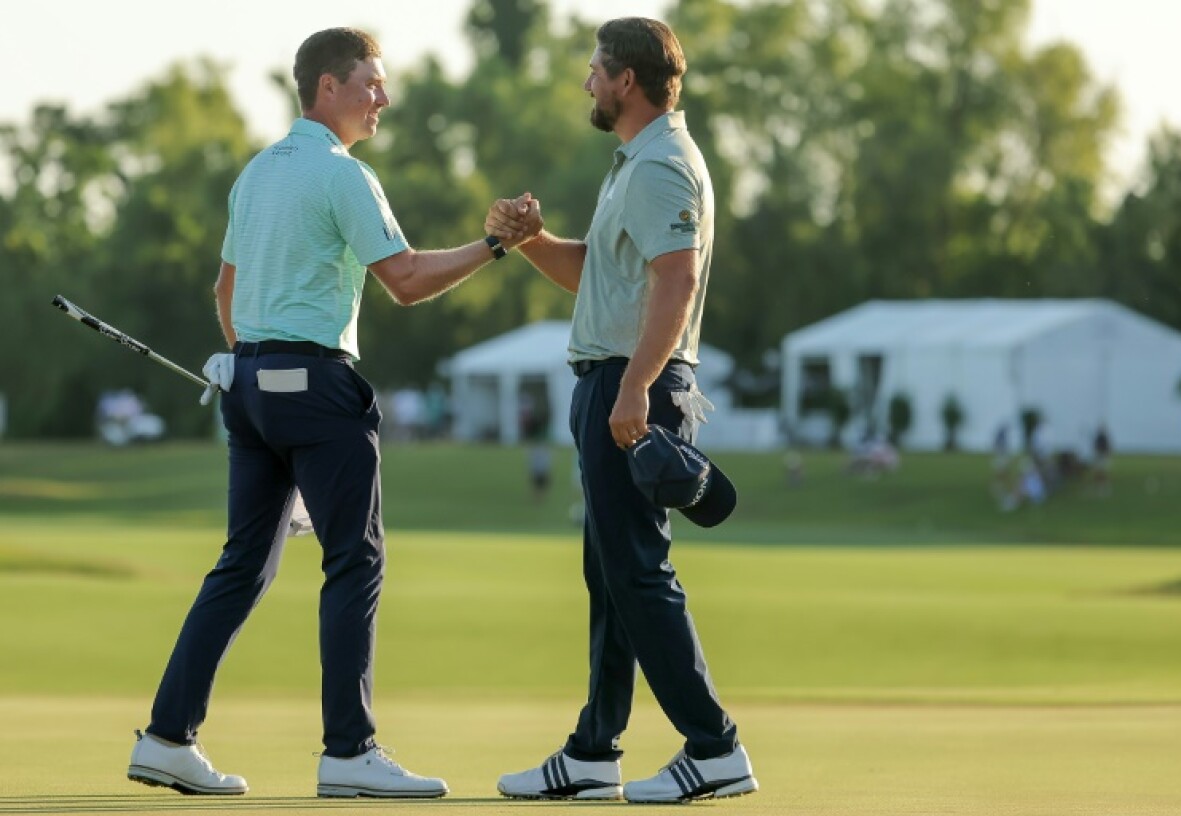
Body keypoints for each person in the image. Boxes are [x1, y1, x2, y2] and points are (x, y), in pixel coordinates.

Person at [125, 27, 540, 799]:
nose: (382, 97)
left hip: (247, 387)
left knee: (242, 565)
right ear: (328, 88)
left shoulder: (254, 174)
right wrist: (493, 244)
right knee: (355, 559)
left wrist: (250, 365)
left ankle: (166, 736)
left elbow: (226, 292)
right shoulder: (342, 174)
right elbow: (407, 281)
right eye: (370, 83)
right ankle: (349, 751)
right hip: (317, 391)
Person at [485, 17, 757, 804]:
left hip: (634, 385)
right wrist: (533, 240)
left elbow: (675, 281)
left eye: (596, 69)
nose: (588, 82)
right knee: (609, 574)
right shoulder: (636, 163)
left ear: (625, 81)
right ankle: (594, 752)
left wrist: (635, 387)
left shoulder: (663, 164)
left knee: (638, 573)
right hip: (615, 380)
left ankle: (715, 748)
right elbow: (601, 279)